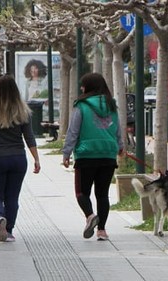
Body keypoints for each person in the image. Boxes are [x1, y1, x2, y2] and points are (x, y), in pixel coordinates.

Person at [0, 74, 41, 242]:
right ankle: (9, 230)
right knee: (12, 197)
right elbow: (29, 137)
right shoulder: (23, 110)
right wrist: (36, 159)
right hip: (18, 158)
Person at [62, 72, 124, 241]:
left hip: (86, 155)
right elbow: (118, 128)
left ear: (88, 87)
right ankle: (102, 231)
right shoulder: (112, 106)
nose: (81, 88)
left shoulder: (81, 105)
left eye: (82, 85)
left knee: (81, 192)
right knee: (102, 195)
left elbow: (73, 131)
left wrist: (66, 152)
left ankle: (90, 216)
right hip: (108, 155)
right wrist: (120, 147)